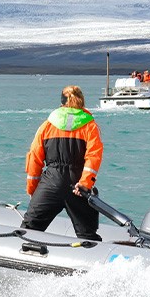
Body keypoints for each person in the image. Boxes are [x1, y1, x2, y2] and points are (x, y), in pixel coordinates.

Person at [21, 85, 104, 241]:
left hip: (51, 183)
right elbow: (93, 157)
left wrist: (33, 191)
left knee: (29, 229)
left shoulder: (47, 125)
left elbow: (34, 160)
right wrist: (85, 184)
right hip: (78, 187)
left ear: (61, 102)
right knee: (87, 236)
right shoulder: (90, 126)